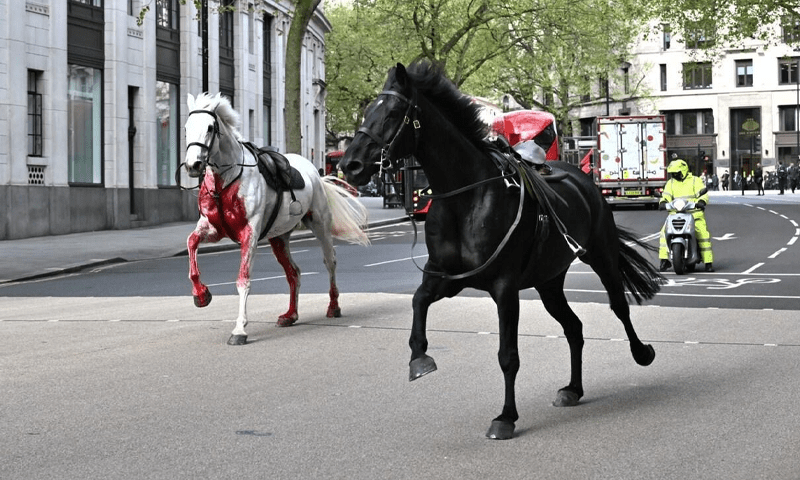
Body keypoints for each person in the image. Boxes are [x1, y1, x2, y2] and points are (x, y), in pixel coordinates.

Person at [659, 158, 714, 272]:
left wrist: (702, 202)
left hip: (694, 214)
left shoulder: (695, 180)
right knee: (663, 233)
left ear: (683, 171)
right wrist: (663, 202)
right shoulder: (671, 183)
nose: (674, 175)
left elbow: (703, 194)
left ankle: (708, 262)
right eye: (672, 173)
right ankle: (664, 260)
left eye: (676, 172)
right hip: (675, 214)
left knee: (702, 234)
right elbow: (666, 195)